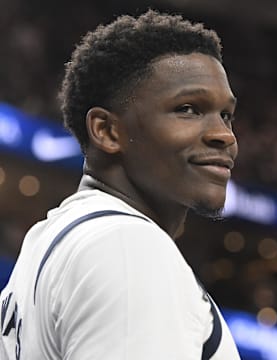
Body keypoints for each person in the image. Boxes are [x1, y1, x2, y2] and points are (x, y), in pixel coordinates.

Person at [0, 9, 240, 359]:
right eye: (188, 108)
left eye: (226, 115)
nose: (224, 135)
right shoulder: (129, 247)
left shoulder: (50, 240)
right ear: (107, 130)